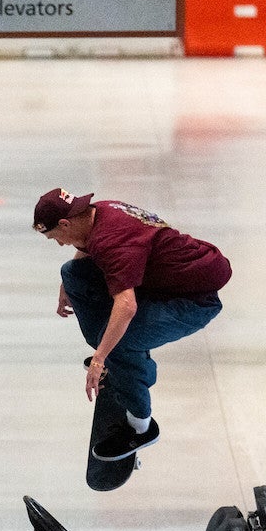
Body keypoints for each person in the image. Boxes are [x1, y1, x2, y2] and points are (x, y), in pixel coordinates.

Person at [34, 188, 230, 460]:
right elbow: (94, 253)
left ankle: (141, 428)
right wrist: (65, 286)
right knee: (72, 273)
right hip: (166, 282)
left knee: (119, 344)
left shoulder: (111, 240)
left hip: (191, 301)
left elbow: (126, 306)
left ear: (66, 223)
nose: (60, 244)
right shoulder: (97, 212)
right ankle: (124, 360)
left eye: (56, 237)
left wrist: (101, 358)